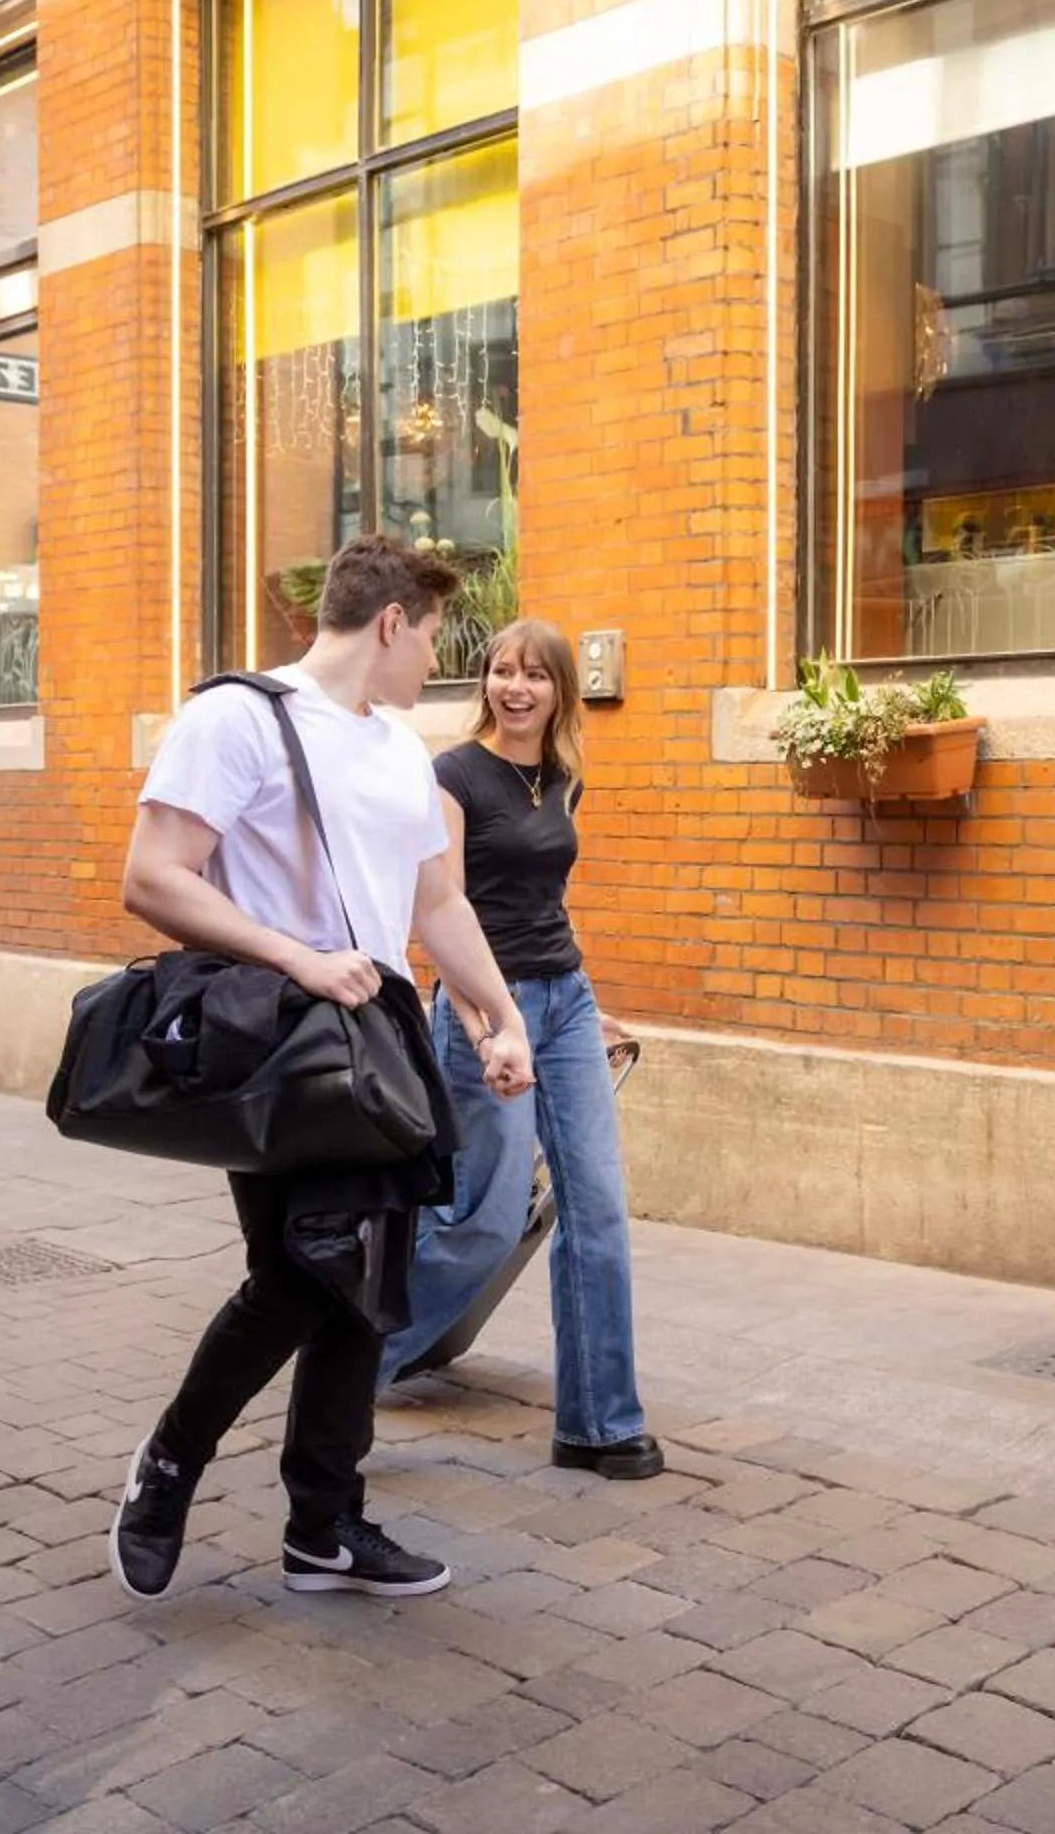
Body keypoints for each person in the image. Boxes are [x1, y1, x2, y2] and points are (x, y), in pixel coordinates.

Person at [108, 535, 537, 1600]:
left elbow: (436, 899)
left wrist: (498, 1012)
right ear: (391, 620)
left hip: (380, 1038)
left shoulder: (398, 747)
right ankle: (167, 1464)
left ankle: (325, 1529)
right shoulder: (234, 718)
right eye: (433, 633)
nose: (437, 656)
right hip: (280, 1042)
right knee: (306, 1269)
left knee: (367, 1285)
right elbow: (154, 877)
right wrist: (296, 954)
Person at [385, 619, 664, 1480]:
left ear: (559, 692)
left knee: (599, 1209)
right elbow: (441, 917)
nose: (516, 688)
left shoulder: (564, 780)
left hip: (564, 1002)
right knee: (485, 1220)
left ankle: (598, 1422)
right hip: (482, 1009)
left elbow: (548, 904)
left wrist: (588, 1007)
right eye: (502, 671)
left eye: (535, 676)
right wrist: (486, 1027)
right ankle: (354, 1361)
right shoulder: (453, 777)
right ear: (485, 683)